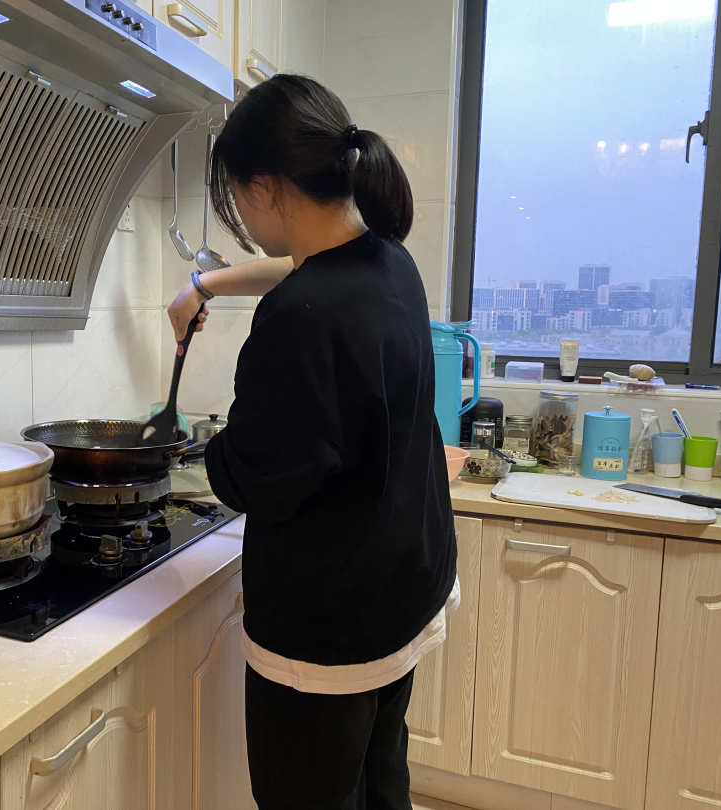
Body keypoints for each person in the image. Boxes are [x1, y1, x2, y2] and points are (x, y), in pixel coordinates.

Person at [166, 75, 459, 810]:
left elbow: (259, 477)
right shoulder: (387, 261)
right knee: (381, 789)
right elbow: (303, 265)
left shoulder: (302, 316)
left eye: (236, 198)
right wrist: (204, 285)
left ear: (265, 186)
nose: (241, 217)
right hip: (401, 592)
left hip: (329, 633)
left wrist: (210, 449)